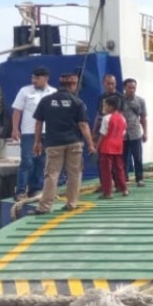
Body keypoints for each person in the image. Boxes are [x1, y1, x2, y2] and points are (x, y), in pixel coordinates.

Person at [30, 73, 95, 214]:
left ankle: (45, 207)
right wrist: (90, 144)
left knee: (52, 175)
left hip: (54, 143)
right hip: (74, 143)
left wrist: (37, 142)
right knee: (74, 174)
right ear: (73, 85)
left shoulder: (46, 101)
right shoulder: (78, 102)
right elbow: (83, 125)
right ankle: (71, 204)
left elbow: (38, 123)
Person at [11, 66, 56, 200]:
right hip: (29, 132)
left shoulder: (53, 92)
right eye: (33, 77)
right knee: (27, 161)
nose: (34, 80)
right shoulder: (25, 91)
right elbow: (17, 111)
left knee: (41, 161)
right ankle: (20, 191)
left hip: (46, 132)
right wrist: (15, 128)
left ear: (46, 78)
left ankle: (35, 189)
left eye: (37, 78)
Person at [96, 95, 129, 199]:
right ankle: (124, 189)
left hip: (107, 147)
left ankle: (108, 192)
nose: (104, 107)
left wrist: (97, 147)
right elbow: (123, 133)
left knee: (106, 170)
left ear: (111, 106)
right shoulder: (122, 118)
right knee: (119, 168)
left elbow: (103, 134)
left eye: (105, 105)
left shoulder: (106, 118)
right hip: (118, 146)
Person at [120, 78, 148, 187]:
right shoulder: (119, 100)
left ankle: (139, 178)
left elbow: (143, 118)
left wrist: (145, 132)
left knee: (137, 157)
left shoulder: (140, 101)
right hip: (122, 134)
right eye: (129, 88)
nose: (132, 90)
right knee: (123, 158)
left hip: (135, 132)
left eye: (133, 88)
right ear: (124, 88)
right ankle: (123, 179)